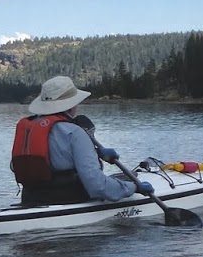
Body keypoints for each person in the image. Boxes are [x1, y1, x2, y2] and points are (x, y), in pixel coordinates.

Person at [11, 76, 153, 206]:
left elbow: (52, 157)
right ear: (71, 106)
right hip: (68, 199)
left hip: (30, 198)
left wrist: (95, 153)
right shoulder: (75, 133)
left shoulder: (29, 128)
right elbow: (97, 186)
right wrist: (133, 188)